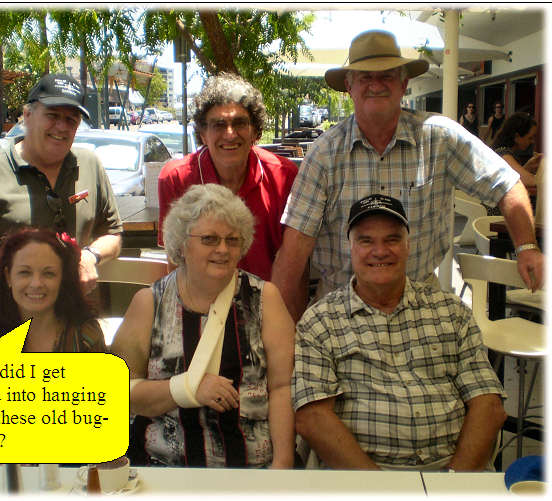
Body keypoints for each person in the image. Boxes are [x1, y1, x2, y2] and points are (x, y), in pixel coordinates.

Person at [272, 29, 543, 321]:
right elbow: (294, 253)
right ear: (349, 87)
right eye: (365, 77)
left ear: (404, 84)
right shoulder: (324, 153)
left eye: (386, 75)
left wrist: (527, 247)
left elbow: (506, 184)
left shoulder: (440, 137)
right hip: (341, 310)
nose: (376, 84)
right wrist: (284, 337)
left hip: (418, 307)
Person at [293, 194, 507, 471]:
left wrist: (453, 484)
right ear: (350, 248)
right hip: (362, 477)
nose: (380, 251)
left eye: (392, 239)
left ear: (408, 247)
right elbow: (312, 419)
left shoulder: (451, 311)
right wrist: (385, 490)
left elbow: (487, 403)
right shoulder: (319, 321)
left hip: (455, 470)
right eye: (366, 240)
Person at [111, 184, 295, 468]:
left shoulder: (264, 299)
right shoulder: (149, 304)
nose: (223, 249)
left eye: (232, 240)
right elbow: (119, 393)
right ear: (182, 243)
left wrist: (282, 465)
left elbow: (282, 387)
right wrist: (187, 388)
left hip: (251, 471)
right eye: (209, 239)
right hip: (164, 467)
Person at [0, 73, 122, 353]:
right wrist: (5, 278)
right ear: (27, 115)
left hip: (67, 324)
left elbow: (113, 233)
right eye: (52, 115)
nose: (61, 126)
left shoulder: (89, 165)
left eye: (71, 119)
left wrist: (90, 256)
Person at [157, 73, 298, 281]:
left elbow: (293, 262)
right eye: (219, 125)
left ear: (255, 131)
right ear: (203, 134)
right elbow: (176, 262)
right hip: (202, 304)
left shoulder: (283, 176)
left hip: (267, 304)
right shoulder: (175, 178)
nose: (230, 134)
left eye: (239, 123)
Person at [0, 227, 105, 353]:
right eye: (25, 272)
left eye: (48, 273)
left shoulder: (86, 337)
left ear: (62, 279)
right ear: (8, 277)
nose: (36, 283)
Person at [492, 112, 542, 187]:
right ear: (517, 137)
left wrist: (528, 167)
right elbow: (528, 180)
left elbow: (512, 176)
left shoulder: (506, 152)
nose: (532, 141)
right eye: (530, 138)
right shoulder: (503, 154)